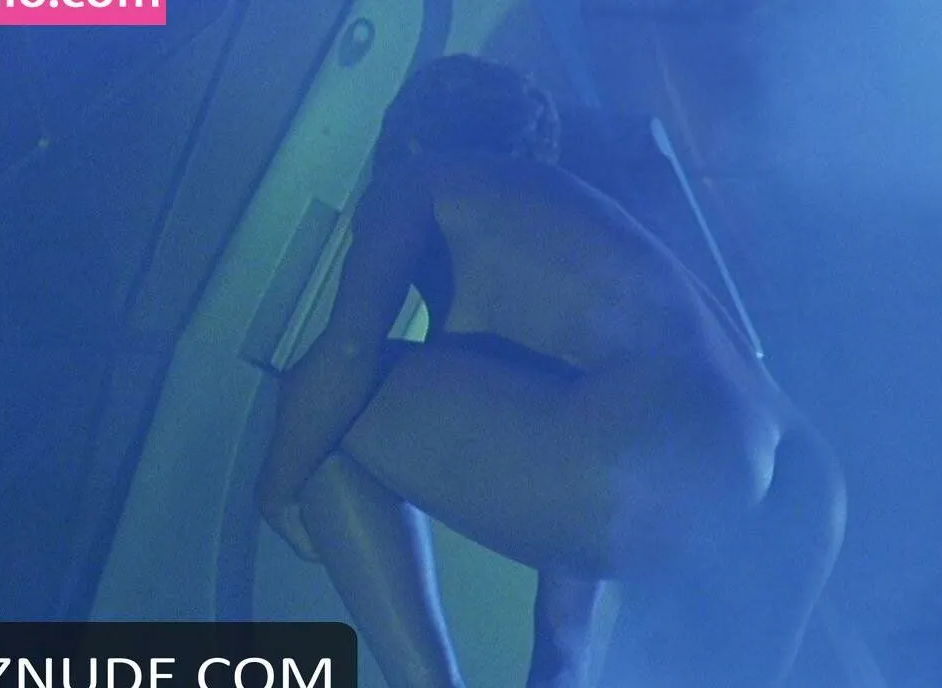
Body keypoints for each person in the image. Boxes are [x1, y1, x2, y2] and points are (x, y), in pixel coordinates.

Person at [255, 54, 847, 688]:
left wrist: (277, 493)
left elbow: (346, 355)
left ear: (409, 137)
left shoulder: (418, 178)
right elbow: (596, 454)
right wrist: (559, 667)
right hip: (807, 489)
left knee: (320, 406)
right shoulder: (583, 228)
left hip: (665, 446)